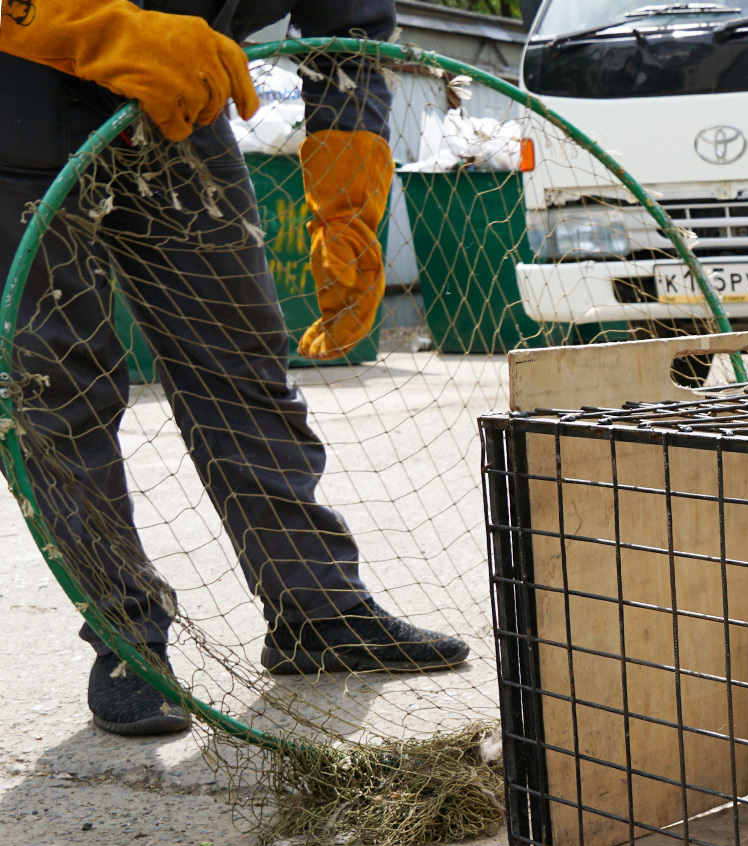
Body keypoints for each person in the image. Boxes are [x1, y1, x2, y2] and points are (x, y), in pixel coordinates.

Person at [0, 0, 469, 737]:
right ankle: (128, 641)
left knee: (241, 363)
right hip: (18, 103)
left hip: (182, 104)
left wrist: (345, 202)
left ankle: (318, 613)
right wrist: (91, 25)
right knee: (55, 387)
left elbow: (350, 26)